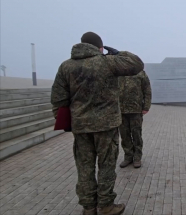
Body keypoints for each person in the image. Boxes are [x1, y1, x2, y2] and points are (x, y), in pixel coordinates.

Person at [51, 32, 144, 215]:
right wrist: (117, 53)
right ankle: (106, 206)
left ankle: (88, 208)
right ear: (100, 48)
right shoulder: (108, 62)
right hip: (106, 127)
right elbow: (137, 64)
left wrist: (67, 122)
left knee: (84, 167)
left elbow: (58, 99)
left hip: (81, 127)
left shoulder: (66, 67)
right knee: (106, 166)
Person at [118, 70, 152, 169]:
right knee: (125, 135)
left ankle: (137, 157)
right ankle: (128, 156)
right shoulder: (119, 72)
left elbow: (147, 90)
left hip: (136, 110)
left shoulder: (140, 73)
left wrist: (146, 106)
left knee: (136, 134)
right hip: (121, 110)